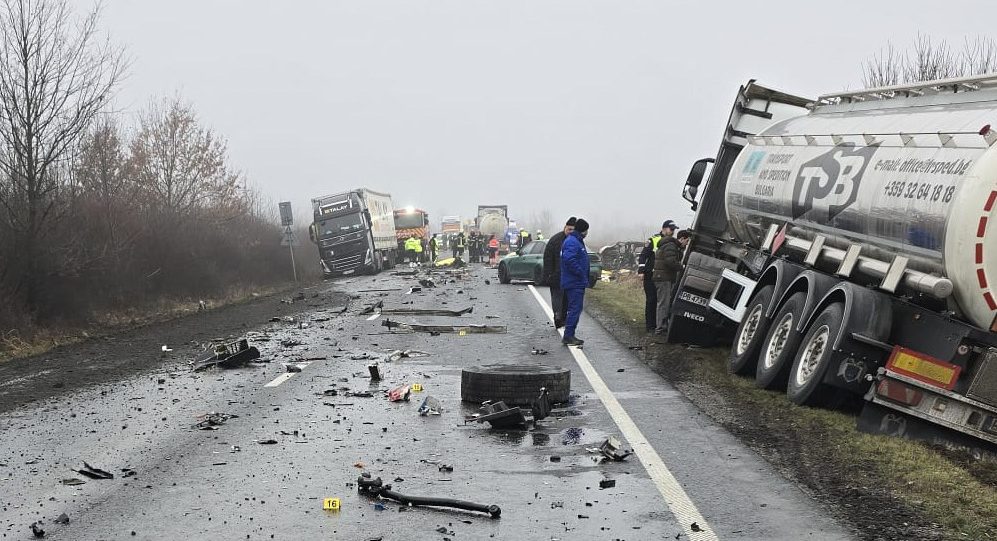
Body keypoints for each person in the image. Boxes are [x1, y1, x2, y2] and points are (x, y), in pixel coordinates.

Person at [653, 223, 689, 334]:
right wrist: (681, 266)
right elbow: (670, 262)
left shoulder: (670, 245)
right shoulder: (671, 246)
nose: (687, 245)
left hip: (662, 277)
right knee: (663, 303)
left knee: (663, 302)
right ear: (682, 239)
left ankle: (662, 326)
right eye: (687, 242)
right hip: (664, 278)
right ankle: (660, 328)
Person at [543, 217, 576, 328]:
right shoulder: (555, 240)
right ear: (565, 228)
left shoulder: (575, 241)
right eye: (569, 229)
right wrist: (548, 274)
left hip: (569, 276)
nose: (570, 232)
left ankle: (563, 318)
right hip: (556, 275)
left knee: (566, 299)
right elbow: (547, 258)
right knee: (557, 297)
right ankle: (557, 317)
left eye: (573, 230)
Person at [560, 218, 589, 346]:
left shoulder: (576, 241)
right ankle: (568, 336)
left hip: (576, 281)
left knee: (575, 308)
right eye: (586, 230)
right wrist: (580, 273)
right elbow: (569, 259)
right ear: (583, 230)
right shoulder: (573, 242)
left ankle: (570, 334)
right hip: (574, 281)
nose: (587, 233)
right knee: (574, 308)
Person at [637, 223, 667, 333]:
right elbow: (643, 256)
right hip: (650, 274)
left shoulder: (670, 241)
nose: (672, 231)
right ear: (664, 229)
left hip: (661, 276)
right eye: (671, 229)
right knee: (651, 300)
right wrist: (641, 271)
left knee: (660, 301)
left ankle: (657, 324)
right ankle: (650, 326)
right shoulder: (653, 240)